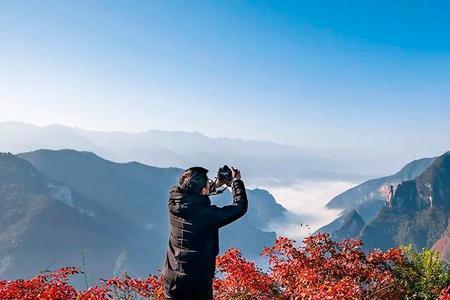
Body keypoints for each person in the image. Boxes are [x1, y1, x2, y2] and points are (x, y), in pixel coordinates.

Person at [162, 166, 248, 300]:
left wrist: (217, 184)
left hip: (172, 276)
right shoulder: (207, 215)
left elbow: (193, 194)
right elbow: (240, 207)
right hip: (197, 280)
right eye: (207, 183)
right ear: (203, 190)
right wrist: (236, 183)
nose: (210, 183)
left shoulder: (174, 200)